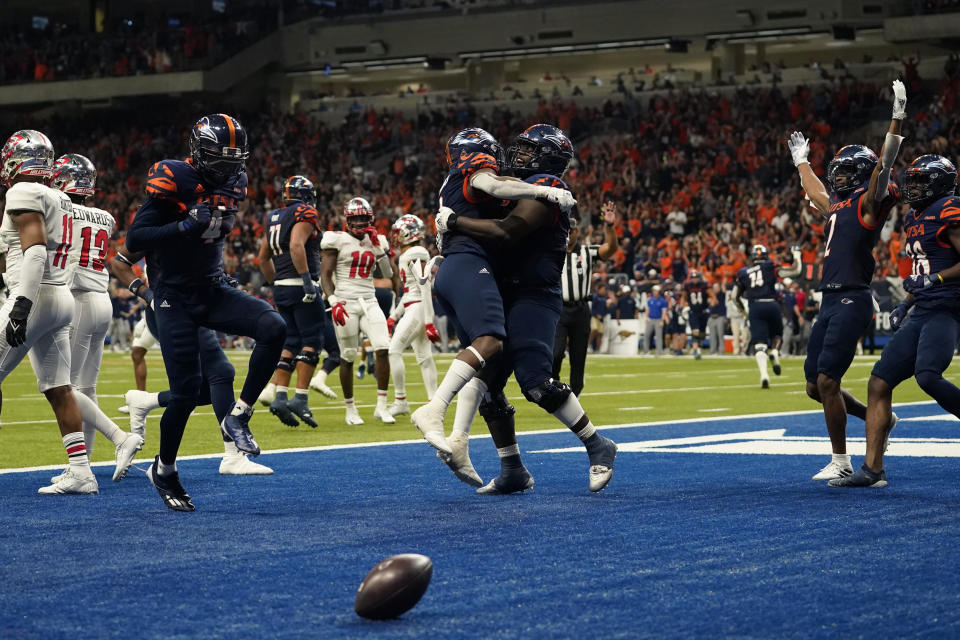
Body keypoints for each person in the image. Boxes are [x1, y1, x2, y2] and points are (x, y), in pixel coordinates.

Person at [434, 124, 617, 494]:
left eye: (528, 150)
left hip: (535, 294)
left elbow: (508, 230)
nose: (517, 155)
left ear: (548, 157)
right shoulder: (511, 182)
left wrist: (454, 222)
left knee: (535, 382)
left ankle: (598, 444)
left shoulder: (549, 186)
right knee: (487, 383)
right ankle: (512, 468)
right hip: (507, 291)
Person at [126, 113, 286, 511]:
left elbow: (209, 241)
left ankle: (239, 415)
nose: (230, 165)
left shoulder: (236, 181)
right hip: (172, 296)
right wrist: (182, 227)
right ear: (199, 151)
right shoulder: (173, 177)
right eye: (222, 156)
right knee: (184, 392)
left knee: (273, 327)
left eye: (236, 157)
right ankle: (164, 470)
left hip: (212, 288)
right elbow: (135, 239)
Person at [410, 127, 575, 455]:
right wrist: (545, 193)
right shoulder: (478, 173)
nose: (516, 154)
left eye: (529, 149)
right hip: (469, 263)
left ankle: (461, 443)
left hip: (462, 268)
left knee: (487, 364)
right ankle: (435, 408)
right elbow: (500, 210)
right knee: (489, 343)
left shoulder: (456, 178)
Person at [0, 130, 140, 495]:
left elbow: (34, 252)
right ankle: (81, 470)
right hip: (63, 296)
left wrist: (21, 304)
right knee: (61, 387)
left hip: (36, 294)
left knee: (63, 386)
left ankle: (85, 466)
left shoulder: (22, 191)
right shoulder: (62, 200)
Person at [787, 79, 906, 481]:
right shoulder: (839, 204)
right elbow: (817, 192)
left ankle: (841, 461)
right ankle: (882, 420)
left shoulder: (868, 204)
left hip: (854, 297)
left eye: (841, 171)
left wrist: (896, 119)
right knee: (812, 387)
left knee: (827, 380)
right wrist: (801, 162)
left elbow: (885, 166)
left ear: (856, 173)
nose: (835, 177)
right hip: (830, 300)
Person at [831, 154, 960, 488]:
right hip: (923, 309)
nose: (913, 186)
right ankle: (872, 471)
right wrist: (907, 302)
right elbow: (923, 272)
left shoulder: (950, 208)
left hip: (947, 308)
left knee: (928, 377)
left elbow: (939, 272)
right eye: (912, 179)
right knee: (879, 382)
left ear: (941, 182)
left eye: (920, 180)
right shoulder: (914, 216)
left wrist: (938, 280)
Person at [112, 246, 272, 476]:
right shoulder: (160, 218)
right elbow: (119, 263)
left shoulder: (195, 221)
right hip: (171, 308)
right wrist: (148, 295)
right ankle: (232, 456)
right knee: (222, 372)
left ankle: (147, 401)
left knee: (202, 389)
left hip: (193, 304)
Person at [45, 153, 144, 484]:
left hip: (78, 298)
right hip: (102, 299)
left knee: (67, 387)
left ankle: (118, 438)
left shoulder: (61, 208)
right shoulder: (104, 216)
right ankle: (83, 464)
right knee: (86, 386)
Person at [319, 196, 395, 425]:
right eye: (357, 219)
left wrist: (378, 246)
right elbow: (325, 274)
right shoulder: (336, 240)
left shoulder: (376, 240)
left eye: (364, 219)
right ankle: (350, 409)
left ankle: (381, 406)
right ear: (348, 220)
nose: (361, 224)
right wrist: (333, 301)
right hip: (345, 302)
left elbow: (387, 273)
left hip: (369, 300)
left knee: (383, 346)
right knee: (349, 355)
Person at [257, 175, 324, 428]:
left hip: (283, 287)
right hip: (300, 285)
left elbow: (262, 258)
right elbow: (297, 245)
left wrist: (276, 283)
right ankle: (301, 399)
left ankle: (280, 396)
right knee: (312, 342)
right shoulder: (304, 213)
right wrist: (306, 280)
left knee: (291, 341)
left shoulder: (275, 216)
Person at [551, 201, 616, 395]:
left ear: (578, 232)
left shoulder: (587, 252)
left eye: (573, 231)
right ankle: (553, 388)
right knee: (555, 353)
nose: (570, 235)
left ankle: (574, 394)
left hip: (581, 309)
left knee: (579, 357)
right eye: (567, 231)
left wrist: (610, 226)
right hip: (559, 309)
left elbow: (610, 249)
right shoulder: (553, 252)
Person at [386, 214, 441, 416]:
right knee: (424, 358)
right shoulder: (409, 253)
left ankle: (401, 400)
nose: (396, 237)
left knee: (394, 350)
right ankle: (435, 403)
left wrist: (429, 321)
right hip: (413, 306)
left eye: (399, 233)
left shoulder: (415, 252)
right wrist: (394, 315)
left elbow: (424, 286)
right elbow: (409, 291)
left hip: (418, 308)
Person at [733, 244, 801, 387]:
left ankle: (764, 375)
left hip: (755, 307)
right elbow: (796, 271)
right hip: (772, 304)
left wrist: (744, 311)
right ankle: (775, 352)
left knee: (759, 344)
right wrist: (797, 255)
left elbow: (734, 297)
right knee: (777, 336)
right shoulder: (771, 266)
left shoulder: (743, 272)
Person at [682, 269, 709, 359]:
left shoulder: (704, 285)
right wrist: (682, 307)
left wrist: (711, 304)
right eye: (693, 278)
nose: (694, 279)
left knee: (702, 332)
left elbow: (711, 296)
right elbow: (683, 297)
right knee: (695, 331)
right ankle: (695, 350)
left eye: (696, 277)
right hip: (693, 311)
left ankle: (699, 348)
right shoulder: (687, 286)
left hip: (703, 311)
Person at [644, 285, 667, 355]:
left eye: (656, 291)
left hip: (658, 319)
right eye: (653, 290)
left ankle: (659, 352)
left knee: (659, 336)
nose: (654, 292)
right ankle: (646, 351)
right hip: (650, 319)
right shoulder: (650, 300)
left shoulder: (662, 301)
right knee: (646, 335)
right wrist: (646, 317)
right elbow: (648, 309)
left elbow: (664, 312)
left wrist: (662, 320)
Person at [706, 283, 726, 355]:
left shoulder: (722, 295)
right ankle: (712, 350)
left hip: (720, 317)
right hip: (711, 317)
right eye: (714, 288)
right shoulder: (710, 296)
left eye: (716, 288)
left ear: (719, 288)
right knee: (712, 335)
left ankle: (721, 351)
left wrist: (725, 317)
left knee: (720, 334)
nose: (715, 289)